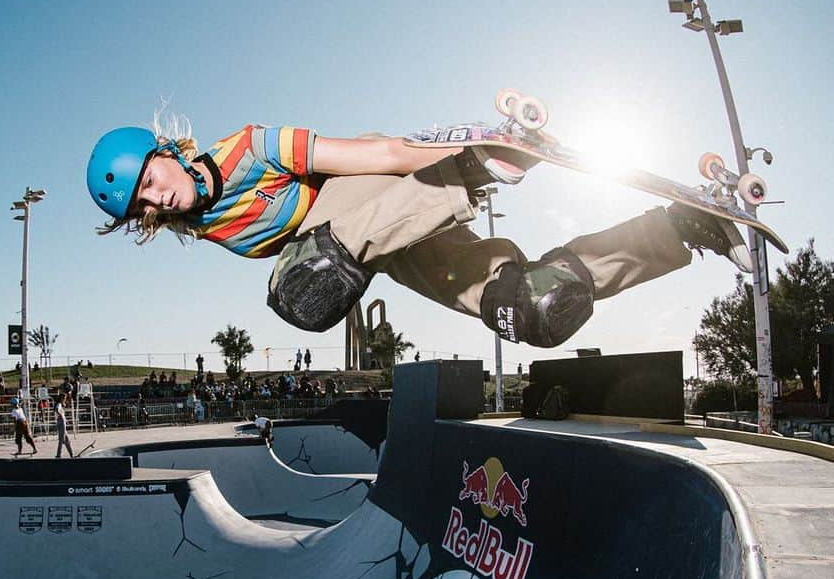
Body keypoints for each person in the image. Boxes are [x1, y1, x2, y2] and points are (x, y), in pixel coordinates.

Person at [86, 114, 752, 349]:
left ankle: (475, 169)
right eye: (146, 205)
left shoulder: (255, 147)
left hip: (383, 191)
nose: (159, 198)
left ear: (164, 150)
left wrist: (464, 157)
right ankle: (676, 230)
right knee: (533, 309)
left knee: (307, 273)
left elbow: (375, 157)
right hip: (380, 243)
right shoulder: (196, 224)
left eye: (151, 179)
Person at [55, 392, 74, 458]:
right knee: (61, 439)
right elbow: (57, 410)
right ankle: (58, 454)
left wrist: (65, 419)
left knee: (67, 440)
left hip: (62, 421)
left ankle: (71, 454)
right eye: (64, 398)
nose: (65, 399)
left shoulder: (60, 404)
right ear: (61, 398)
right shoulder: (59, 404)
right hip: (61, 422)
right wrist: (61, 416)